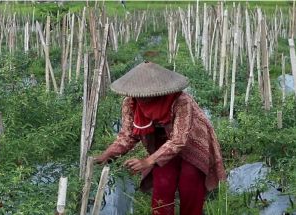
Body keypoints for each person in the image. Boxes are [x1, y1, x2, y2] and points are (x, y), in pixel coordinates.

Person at [95, 61, 226, 215]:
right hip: (162, 142)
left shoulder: (180, 101)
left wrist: (147, 161)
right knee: (163, 183)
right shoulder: (130, 103)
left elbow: (179, 140)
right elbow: (128, 135)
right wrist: (108, 154)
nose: (142, 99)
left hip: (192, 142)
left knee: (190, 184)